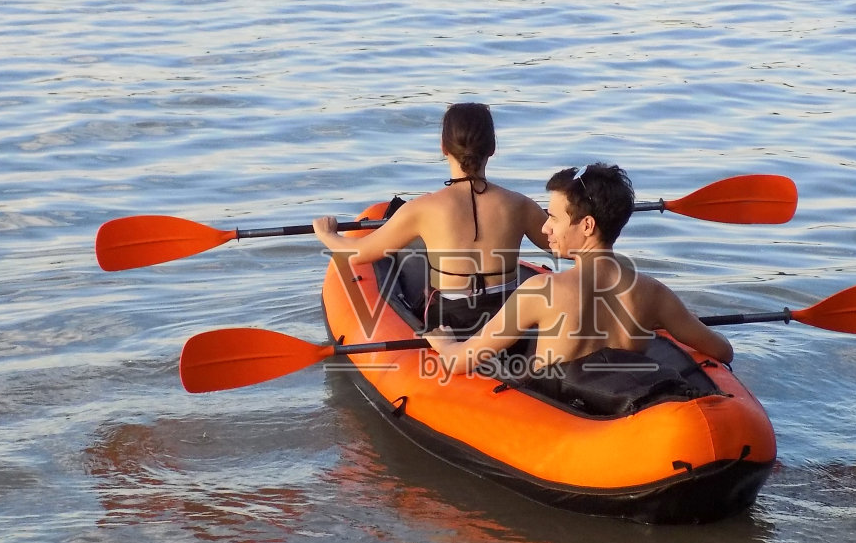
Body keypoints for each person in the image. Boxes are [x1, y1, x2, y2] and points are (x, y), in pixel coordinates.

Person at [425, 163, 733, 379]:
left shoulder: (541, 292)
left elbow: (462, 362)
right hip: (623, 409)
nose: (545, 227)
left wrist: (445, 343)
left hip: (560, 418)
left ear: (587, 225)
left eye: (554, 218)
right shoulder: (654, 295)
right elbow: (722, 350)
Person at [311, 102, 549, 333]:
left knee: (424, 300)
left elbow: (359, 254)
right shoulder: (519, 204)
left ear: (444, 147)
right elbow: (563, 246)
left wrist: (327, 235)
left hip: (451, 323)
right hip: (508, 319)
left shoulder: (423, 208)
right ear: (492, 148)